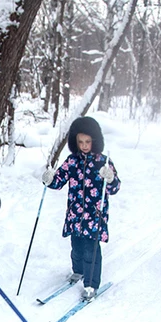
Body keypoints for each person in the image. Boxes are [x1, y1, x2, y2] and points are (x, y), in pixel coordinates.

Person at [42, 116, 121, 300]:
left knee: (90, 250)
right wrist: (49, 179)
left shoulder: (104, 162)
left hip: (95, 215)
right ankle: (78, 271)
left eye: (88, 141)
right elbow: (58, 181)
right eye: (80, 142)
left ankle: (91, 284)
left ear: (95, 140)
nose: (84, 145)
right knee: (76, 247)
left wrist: (109, 178)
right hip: (75, 215)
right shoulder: (72, 161)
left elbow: (114, 187)